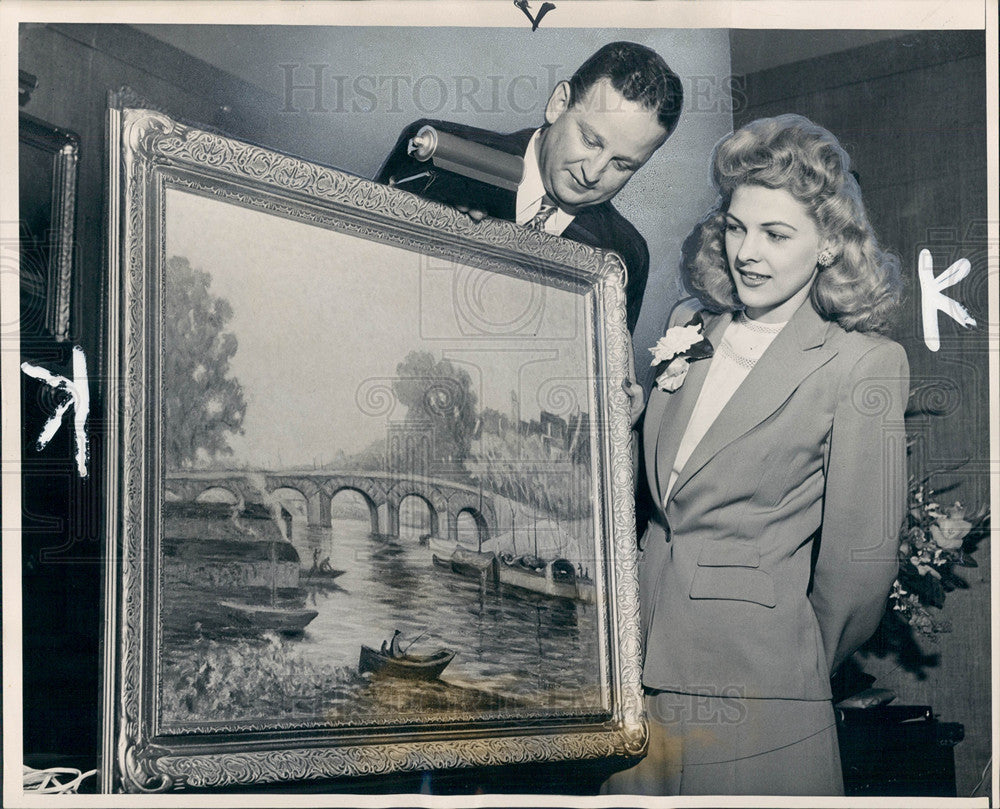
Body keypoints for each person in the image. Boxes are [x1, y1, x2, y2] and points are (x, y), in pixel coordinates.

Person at [604, 114, 908, 796]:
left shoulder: (864, 365)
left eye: (776, 234)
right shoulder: (688, 327)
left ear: (830, 243)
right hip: (636, 680)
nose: (747, 251)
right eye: (737, 227)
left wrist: (787, 665)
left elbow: (859, 570)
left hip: (759, 693)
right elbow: (665, 499)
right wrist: (626, 428)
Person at [374, 41, 684, 334]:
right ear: (558, 104)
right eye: (590, 141)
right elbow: (366, 279)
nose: (592, 172)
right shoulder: (442, 154)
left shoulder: (625, 254)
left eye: (622, 165)